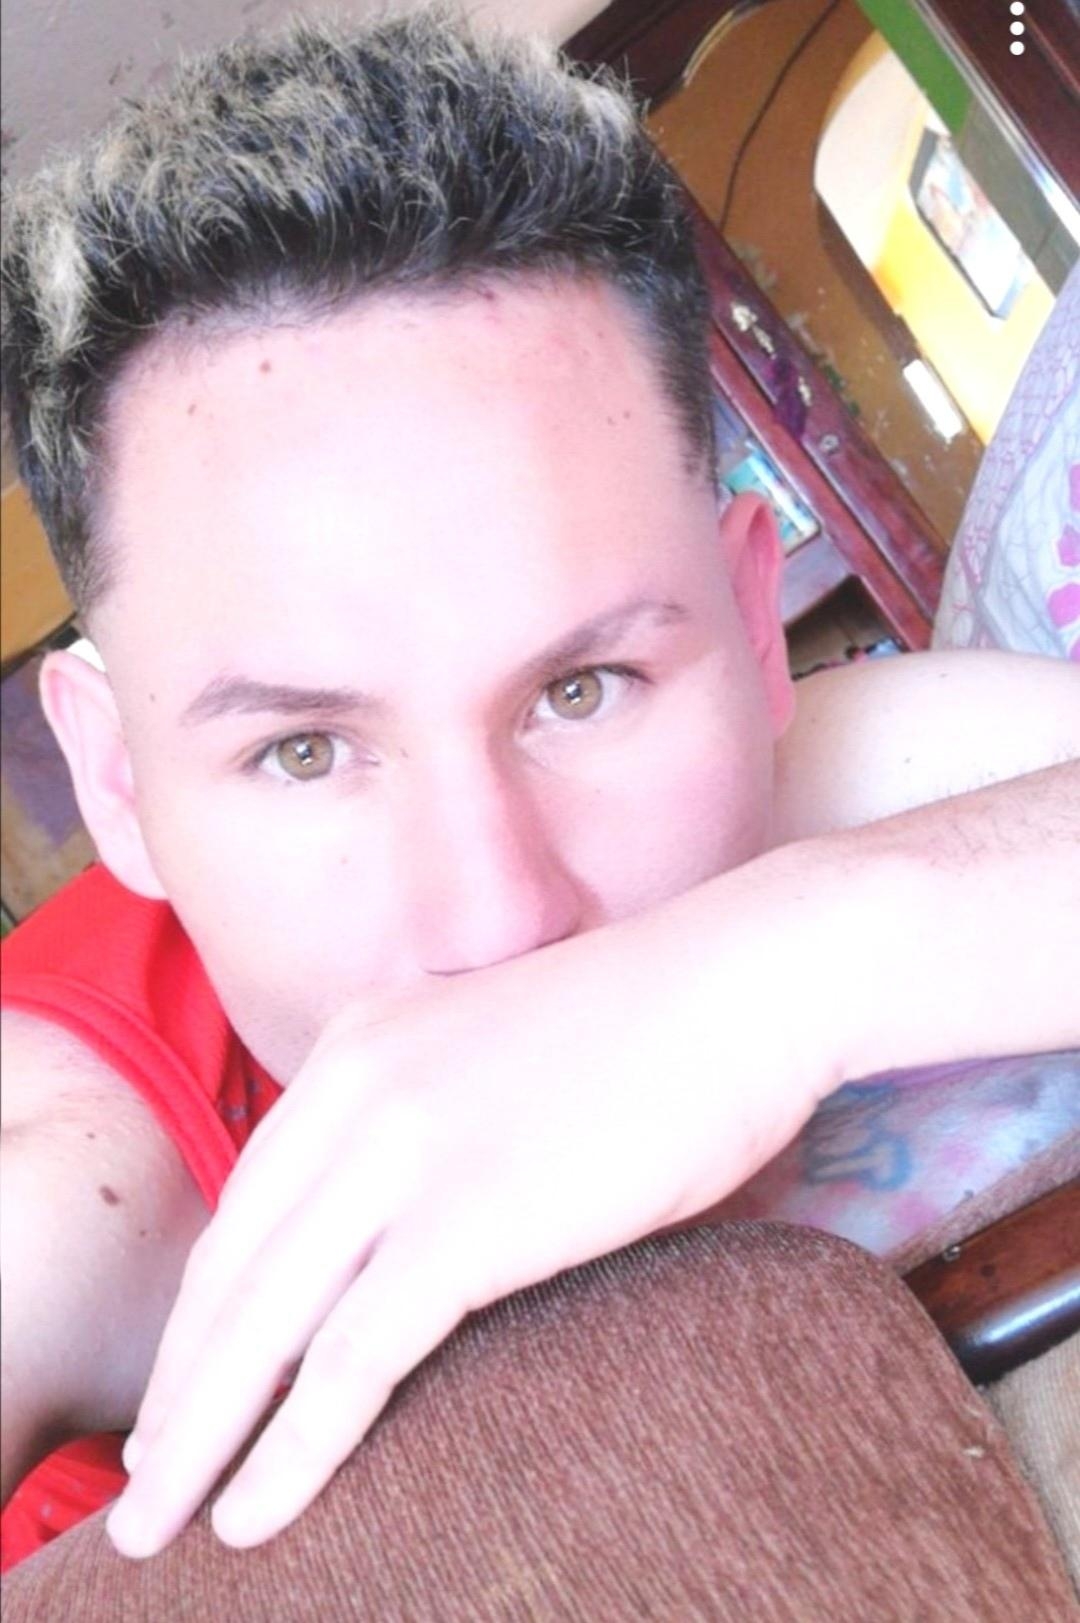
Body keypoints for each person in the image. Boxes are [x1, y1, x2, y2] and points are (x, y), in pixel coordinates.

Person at [0, 3, 1076, 1576]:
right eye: (303, 752)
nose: (500, 918)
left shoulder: (816, 778)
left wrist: (785, 970)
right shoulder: (73, 1187)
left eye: (583, 690)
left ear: (750, 628)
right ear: (117, 780)